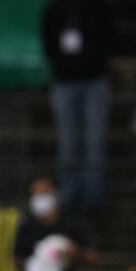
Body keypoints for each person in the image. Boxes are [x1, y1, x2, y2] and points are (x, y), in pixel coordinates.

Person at [41, 0, 116, 216]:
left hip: (95, 80)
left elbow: (110, 39)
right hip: (65, 81)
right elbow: (48, 42)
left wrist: (95, 62)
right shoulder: (54, 9)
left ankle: (94, 196)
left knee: (95, 140)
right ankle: (69, 194)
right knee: (68, 141)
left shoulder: (99, 7)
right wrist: (63, 65)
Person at [14, 176, 98, 271]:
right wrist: (38, 264)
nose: (39, 199)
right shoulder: (26, 228)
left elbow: (94, 259)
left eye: (43, 194)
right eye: (35, 195)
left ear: (55, 195)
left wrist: (75, 253)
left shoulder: (71, 226)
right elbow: (17, 259)